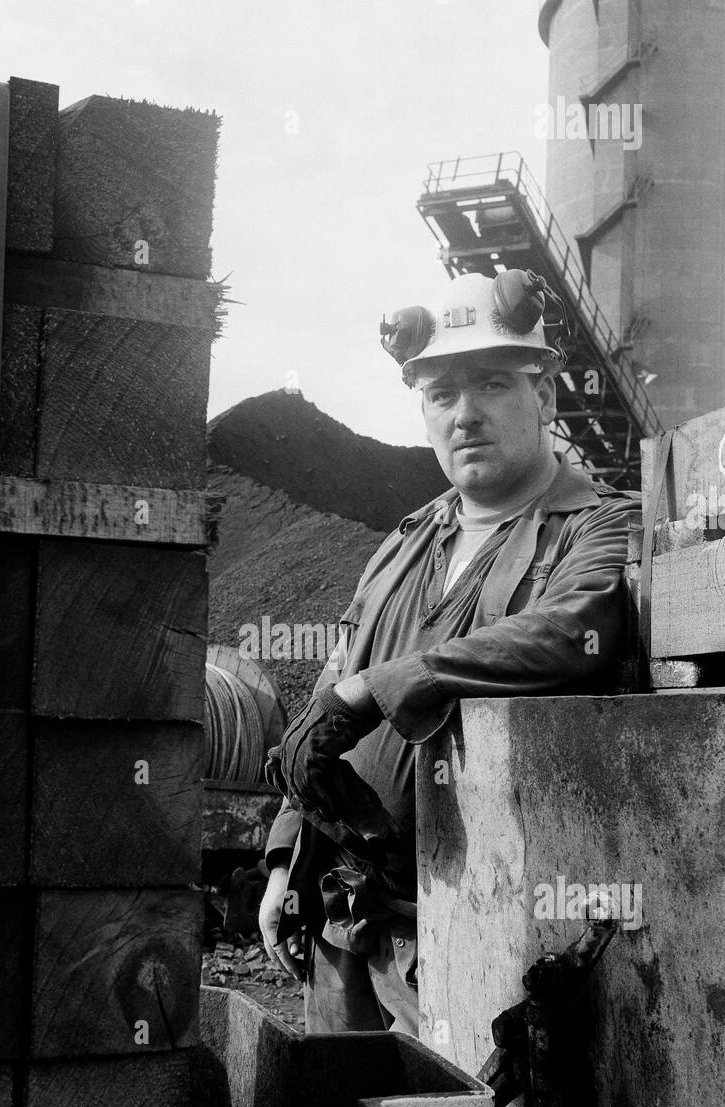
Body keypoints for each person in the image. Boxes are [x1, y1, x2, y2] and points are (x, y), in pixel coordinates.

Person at [260, 268, 642, 1036]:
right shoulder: (403, 542)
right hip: (351, 923)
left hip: (478, 931)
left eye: (493, 384)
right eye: (442, 395)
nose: (465, 413)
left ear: (546, 396)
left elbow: (571, 630)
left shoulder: (598, 525)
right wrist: (280, 861)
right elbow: (329, 694)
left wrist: (384, 685)